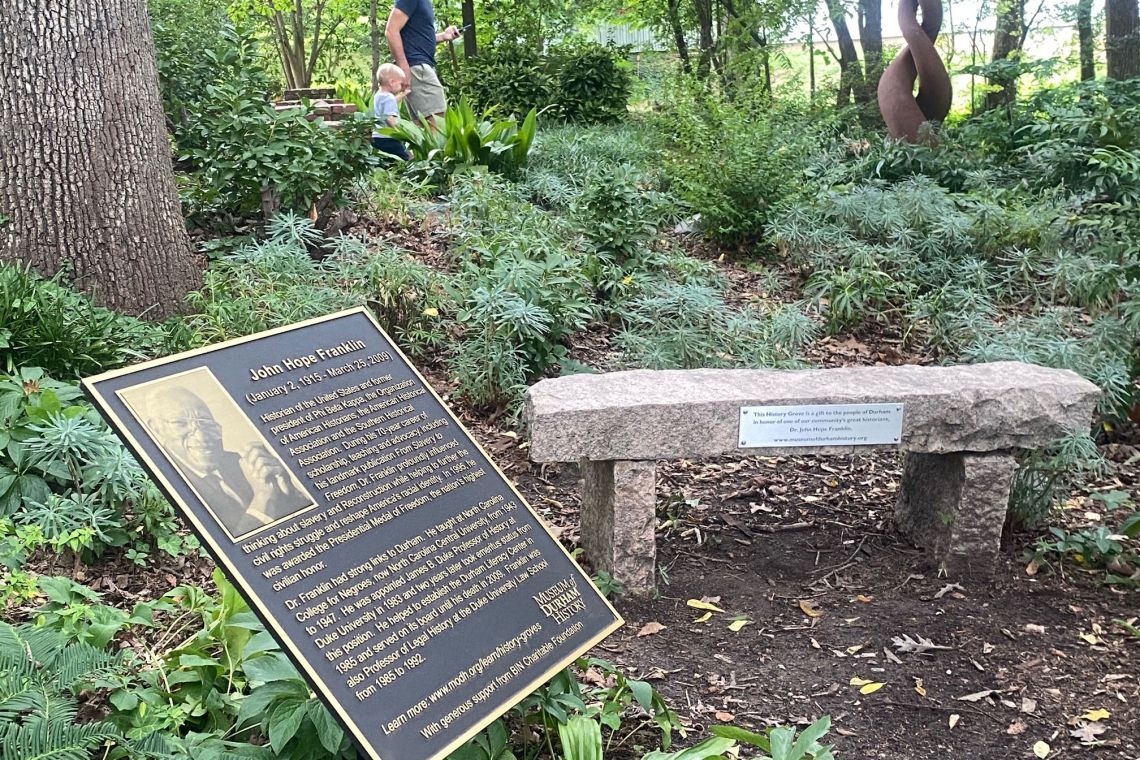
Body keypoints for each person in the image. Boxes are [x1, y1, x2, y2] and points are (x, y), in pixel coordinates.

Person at [141, 386, 310, 538]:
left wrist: (287, 492)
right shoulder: (164, 485)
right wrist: (262, 498)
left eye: (205, 423)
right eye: (180, 423)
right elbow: (240, 550)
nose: (202, 437)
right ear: (156, 428)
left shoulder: (243, 463)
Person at [385, 0, 460, 124]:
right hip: (417, 68)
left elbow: (417, 37)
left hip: (418, 66)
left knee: (422, 127)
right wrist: (404, 68)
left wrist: (444, 36)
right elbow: (391, 31)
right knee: (437, 121)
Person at [372, 63, 412, 161]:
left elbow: (390, 103)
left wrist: (402, 95)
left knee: (387, 160)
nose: (401, 87)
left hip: (377, 136)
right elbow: (390, 118)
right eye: (400, 84)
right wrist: (401, 132)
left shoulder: (379, 95)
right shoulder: (389, 97)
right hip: (388, 137)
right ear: (392, 82)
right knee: (407, 157)